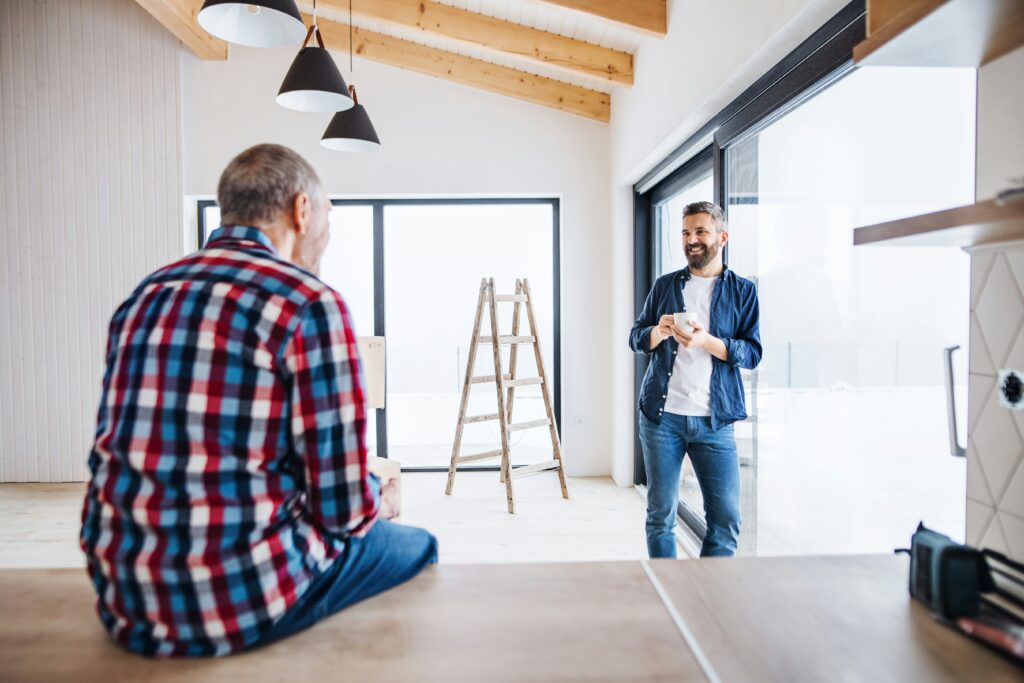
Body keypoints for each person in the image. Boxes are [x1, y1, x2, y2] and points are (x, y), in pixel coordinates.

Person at [80, 144, 437, 657]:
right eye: (329, 216)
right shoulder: (310, 303)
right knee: (418, 546)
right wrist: (379, 499)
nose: (328, 236)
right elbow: (343, 513)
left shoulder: (145, 295)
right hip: (238, 601)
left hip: (123, 597)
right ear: (302, 211)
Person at [629, 201, 761, 558]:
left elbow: (752, 353)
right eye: (686, 233)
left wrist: (708, 342)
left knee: (726, 520)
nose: (692, 240)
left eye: (701, 231)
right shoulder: (665, 286)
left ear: (723, 237)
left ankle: (708, 598)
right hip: (661, 418)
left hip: (715, 421)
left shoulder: (743, 291)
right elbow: (636, 337)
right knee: (661, 516)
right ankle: (669, 594)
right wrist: (658, 331)